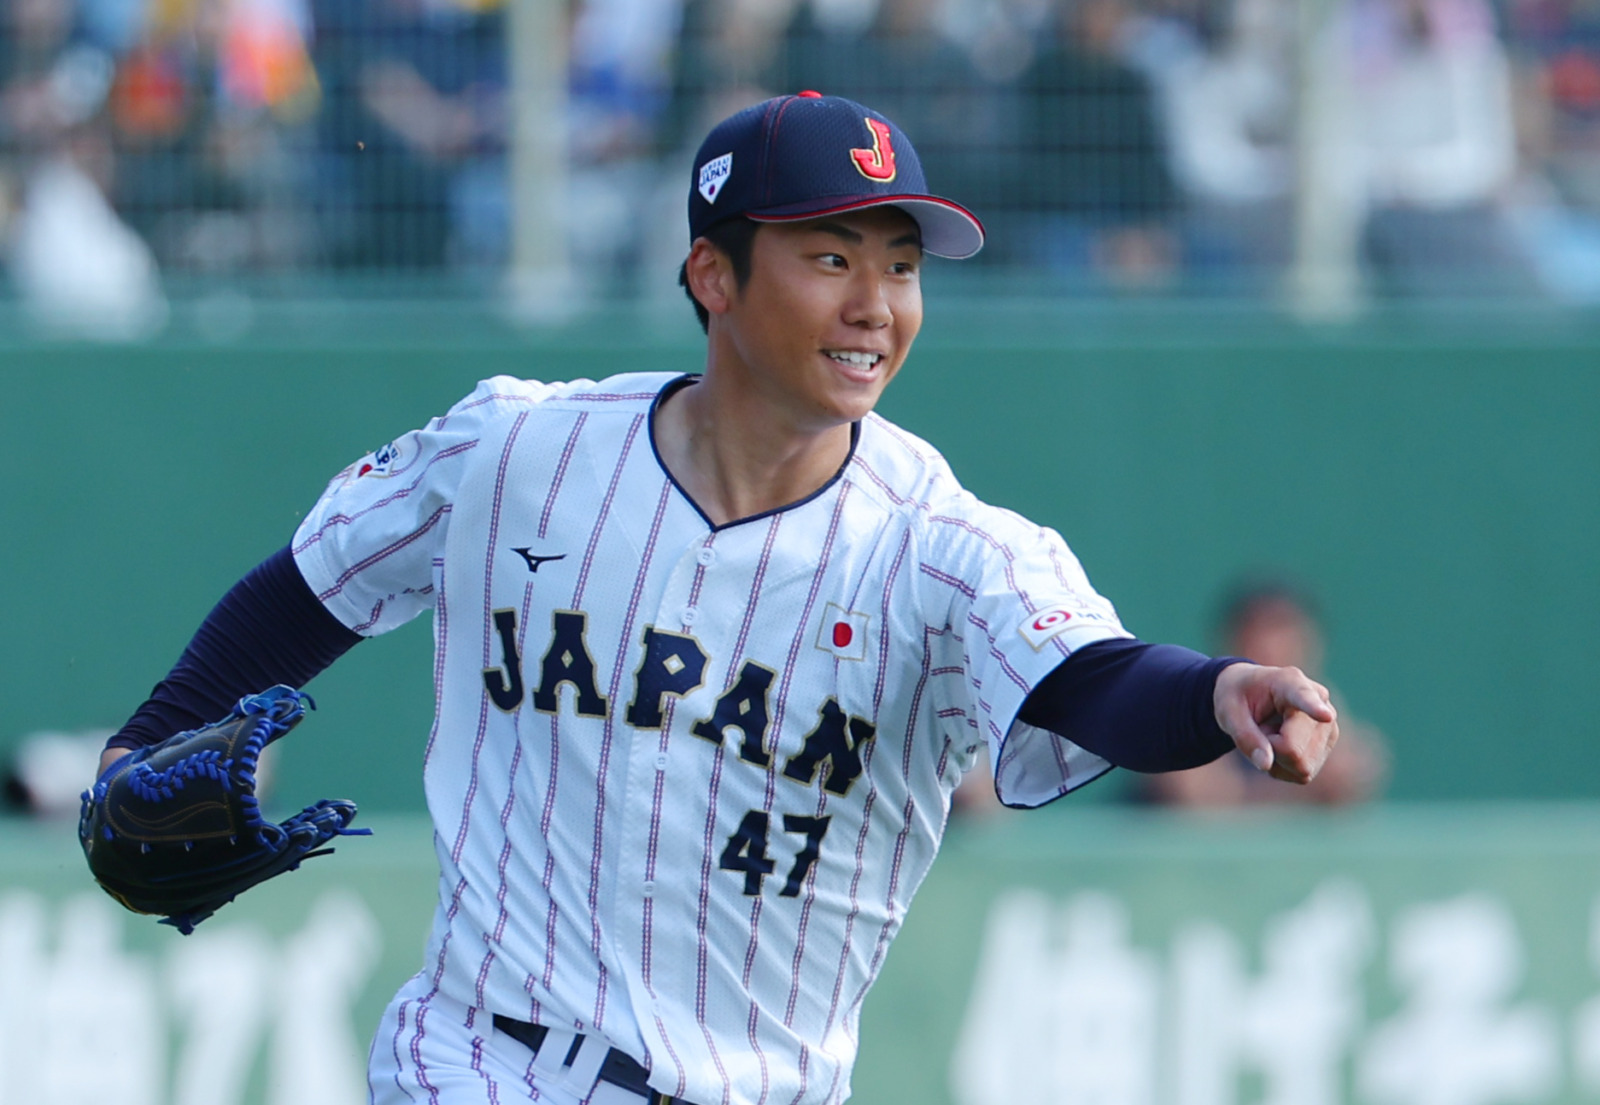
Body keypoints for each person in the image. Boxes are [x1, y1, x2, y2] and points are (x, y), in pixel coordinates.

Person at [94, 92, 1338, 1105]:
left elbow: (1089, 678)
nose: (875, 304)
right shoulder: (518, 453)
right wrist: (141, 746)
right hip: (480, 1062)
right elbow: (304, 595)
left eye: (902, 266)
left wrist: (1218, 691)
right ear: (714, 274)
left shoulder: (945, 547)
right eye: (831, 257)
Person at [1143, 579, 1387, 807]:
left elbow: (1342, 782)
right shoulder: (1198, 702)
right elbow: (1196, 798)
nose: (1271, 646)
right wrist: (1299, 794)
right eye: (1259, 630)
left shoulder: (1321, 707)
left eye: (1283, 630)